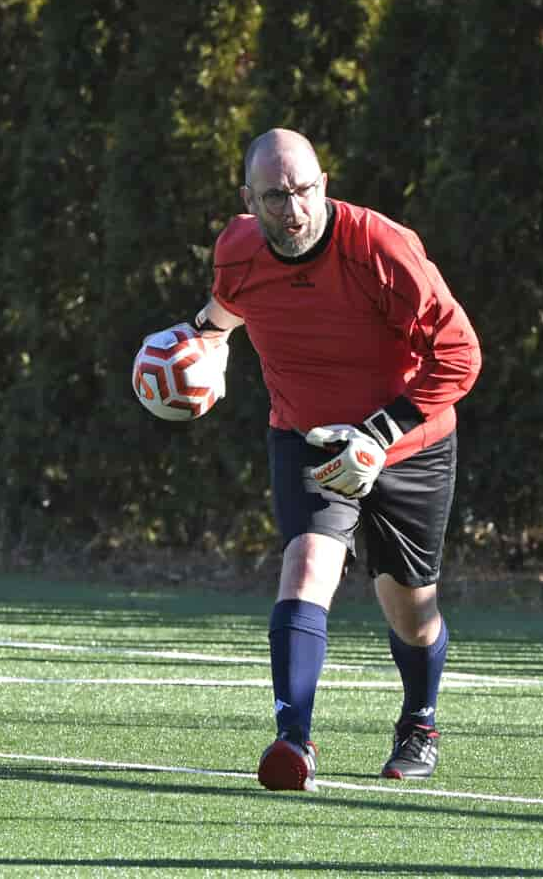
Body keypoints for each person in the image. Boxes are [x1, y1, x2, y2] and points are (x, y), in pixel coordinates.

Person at [190, 128, 481, 791]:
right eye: (274, 196)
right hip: (306, 436)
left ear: (324, 185)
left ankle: (420, 722)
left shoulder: (381, 248)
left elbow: (461, 355)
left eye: (303, 191)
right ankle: (294, 740)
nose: (292, 209)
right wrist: (199, 342)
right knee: (306, 564)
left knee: (410, 605)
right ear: (248, 199)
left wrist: (378, 435)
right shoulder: (237, 249)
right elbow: (227, 306)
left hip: (411, 443)